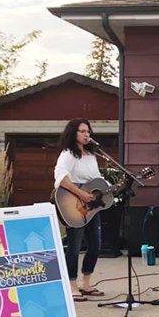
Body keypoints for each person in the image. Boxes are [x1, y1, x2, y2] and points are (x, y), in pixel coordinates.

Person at [53, 119, 104, 301]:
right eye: (82, 131)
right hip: (74, 205)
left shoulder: (91, 155)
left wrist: (107, 188)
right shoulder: (68, 154)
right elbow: (61, 178)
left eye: (88, 131)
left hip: (90, 208)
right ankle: (72, 285)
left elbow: (97, 180)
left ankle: (86, 283)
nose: (86, 134)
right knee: (74, 247)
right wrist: (80, 194)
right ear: (73, 133)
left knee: (96, 245)